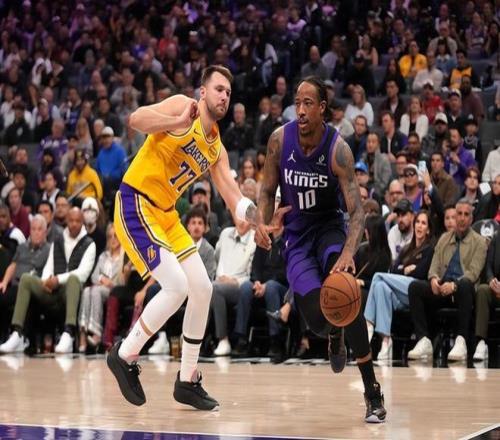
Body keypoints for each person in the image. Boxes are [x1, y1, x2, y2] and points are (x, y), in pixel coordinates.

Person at [107, 66, 276, 411]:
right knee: (177, 286)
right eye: (219, 89)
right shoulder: (182, 106)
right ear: (203, 92)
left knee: (202, 287)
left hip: (167, 215)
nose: (224, 96)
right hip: (136, 201)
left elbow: (233, 197)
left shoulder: (217, 149)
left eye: (228, 92)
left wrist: (259, 220)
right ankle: (124, 354)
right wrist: (176, 121)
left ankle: (187, 379)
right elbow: (136, 119)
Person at [254, 77, 386, 422]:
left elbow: (357, 211)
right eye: (297, 102)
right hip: (296, 237)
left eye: (308, 103)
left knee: (346, 294)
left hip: (329, 229)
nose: (300, 110)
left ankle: (372, 390)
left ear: (322, 108)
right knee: (317, 320)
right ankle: (333, 333)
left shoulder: (338, 149)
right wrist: (263, 225)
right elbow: (266, 191)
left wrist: (347, 253)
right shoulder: (279, 140)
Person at [407, 199, 487, 361]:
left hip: (462, 291)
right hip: (442, 288)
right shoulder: (444, 238)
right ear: (454, 217)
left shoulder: (479, 242)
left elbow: (473, 273)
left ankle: (461, 341)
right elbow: (434, 266)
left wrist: (454, 285)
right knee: (414, 287)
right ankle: (424, 340)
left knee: (465, 284)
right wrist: (434, 279)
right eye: (459, 214)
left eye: (466, 214)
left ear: (471, 218)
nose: (462, 218)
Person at [365, 210, 434, 360]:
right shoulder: (406, 249)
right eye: (417, 222)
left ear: (428, 229)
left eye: (423, 223)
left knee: (378, 277)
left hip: (415, 292)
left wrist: (407, 270)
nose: (419, 226)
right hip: (400, 294)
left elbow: (421, 273)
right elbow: (394, 270)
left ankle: (369, 322)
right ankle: (386, 341)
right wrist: (405, 270)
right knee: (380, 287)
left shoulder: (430, 249)